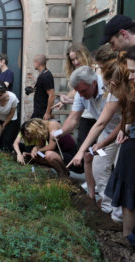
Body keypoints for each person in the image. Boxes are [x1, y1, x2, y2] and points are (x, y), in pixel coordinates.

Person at [52, 66, 121, 221]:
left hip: (123, 130)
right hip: (106, 130)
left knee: (120, 169)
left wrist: (81, 151)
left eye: (83, 91)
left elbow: (106, 123)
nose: (80, 95)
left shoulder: (109, 88)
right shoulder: (80, 94)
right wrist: (58, 133)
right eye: (78, 91)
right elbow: (73, 119)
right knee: (98, 165)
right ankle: (105, 207)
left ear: (94, 84)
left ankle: (118, 211)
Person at [105, 46, 135, 248]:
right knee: (127, 195)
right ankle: (126, 238)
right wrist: (125, 127)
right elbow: (127, 112)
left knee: (128, 194)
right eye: (130, 72)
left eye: (133, 71)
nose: (131, 76)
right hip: (128, 142)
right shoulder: (129, 94)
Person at [13, 118, 83, 176]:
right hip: (60, 154)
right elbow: (40, 146)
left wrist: (37, 150)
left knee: (48, 154)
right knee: (39, 157)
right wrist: (34, 150)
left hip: (73, 156)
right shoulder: (40, 133)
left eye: (29, 134)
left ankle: (62, 174)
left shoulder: (52, 124)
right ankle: (65, 172)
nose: (29, 136)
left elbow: (51, 146)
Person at [31, 54, 55, 120]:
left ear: (38, 63)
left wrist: (47, 113)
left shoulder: (45, 76)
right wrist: (32, 89)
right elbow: (43, 90)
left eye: (34, 62)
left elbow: (52, 95)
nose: (33, 64)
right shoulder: (42, 74)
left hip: (41, 112)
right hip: (38, 110)